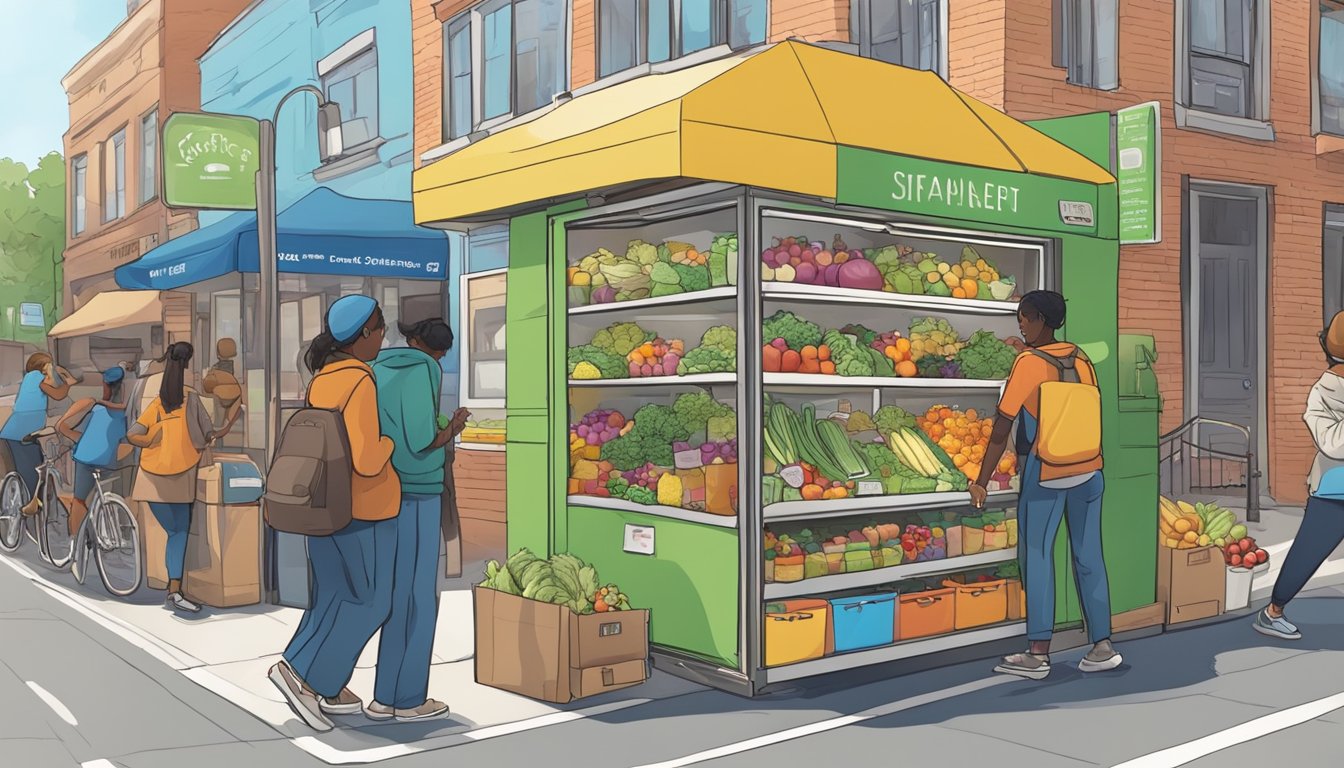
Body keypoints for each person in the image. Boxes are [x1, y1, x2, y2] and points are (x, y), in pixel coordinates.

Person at [971, 290, 1121, 679]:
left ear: (1038, 319)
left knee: (1037, 555)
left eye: (1023, 317)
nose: (1020, 324)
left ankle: (1038, 653)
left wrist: (981, 480)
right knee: (1088, 555)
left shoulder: (1029, 363)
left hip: (1047, 473)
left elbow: (1003, 425)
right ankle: (1102, 644)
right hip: (1089, 470)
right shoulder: (1082, 359)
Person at [269, 295, 400, 733]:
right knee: (371, 601)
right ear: (364, 334)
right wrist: (391, 444)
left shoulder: (322, 379)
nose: (383, 337)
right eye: (380, 329)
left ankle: (321, 679)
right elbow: (366, 458)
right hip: (361, 509)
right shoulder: (361, 381)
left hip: (324, 504)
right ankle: (307, 676)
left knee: (330, 598)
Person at [370, 317, 469, 722]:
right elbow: (422, 437)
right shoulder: (425, 368)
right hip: (421, 489)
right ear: (439, 352)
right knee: (419, 597)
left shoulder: (376, 368)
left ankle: (382, 696)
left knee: (396, 595)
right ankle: (408, 699)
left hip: (386, 487)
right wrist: (453, 429)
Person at [125, 343, 239, 614]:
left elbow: (132, 435)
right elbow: (210, 434)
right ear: (187, 365)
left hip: (149, 478)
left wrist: (152, 438)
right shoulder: (192, 399)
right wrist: (232, 419)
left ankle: (170, 586)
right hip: (180, 477)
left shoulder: (157, 403)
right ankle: (174, 591)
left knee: (171, 532)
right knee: (179, 533)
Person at [1253, 311, 1344, 640]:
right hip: (1335, 492)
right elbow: (1332, 443)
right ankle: (1273, 612)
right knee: (1307, 553)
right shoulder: (1322, 393)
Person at [56, 367, 131, 536]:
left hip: (87, 459)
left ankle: (76, 540)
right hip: (110, 462)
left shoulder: (96, 409)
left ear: (106, 386)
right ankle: (106, 531)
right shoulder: (126, 414)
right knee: (105, 493)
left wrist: (77, 439)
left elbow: (69, 429)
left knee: (79, 499)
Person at [3, 353, 78, 515]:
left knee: (33, 469)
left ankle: (30, 503)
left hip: (21, 433)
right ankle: (29, 506)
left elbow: (58, 395)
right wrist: (68, 382)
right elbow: (58, 394)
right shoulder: (35, 377)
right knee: (31, 472)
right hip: (19, 434)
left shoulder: (32, 380)